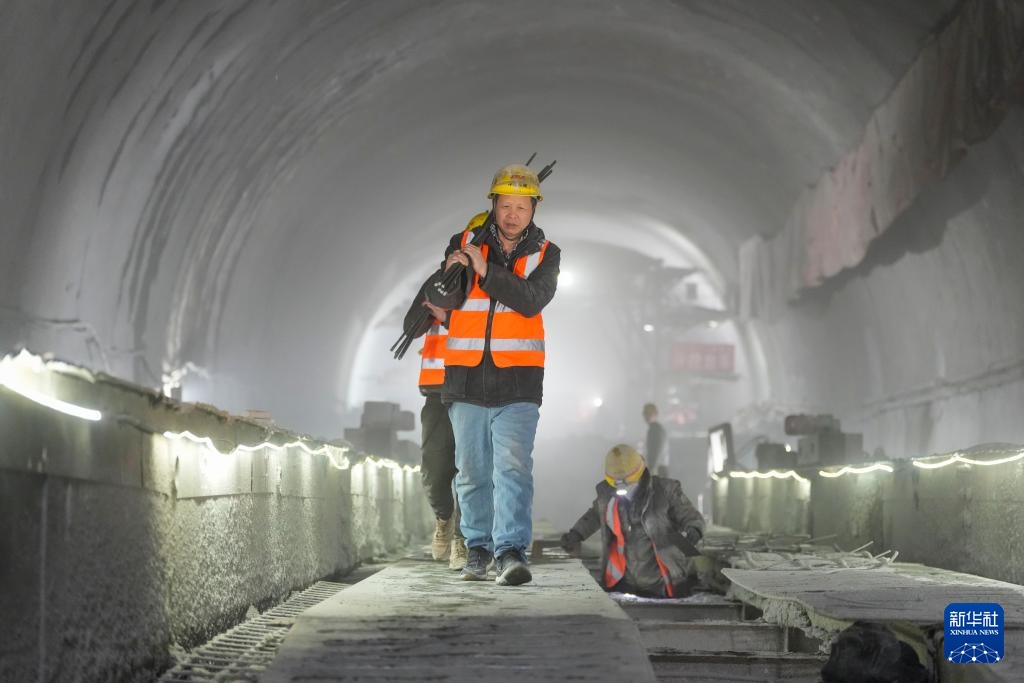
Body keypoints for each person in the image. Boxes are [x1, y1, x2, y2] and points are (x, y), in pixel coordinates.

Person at [426, 163, 560, 586]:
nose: (513, 214)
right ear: (494, 205)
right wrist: (452, 272)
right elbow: (446, 300)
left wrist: (486, 270)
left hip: (518, 382)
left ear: (533, 209)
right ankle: (478, 549)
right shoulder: (464, 241)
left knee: (514, 469)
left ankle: (512, 552)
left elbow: (531, 300)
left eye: (522, 206)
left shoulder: (547, 254)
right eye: (506, 205)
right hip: (465, 380)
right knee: (471, 472)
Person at [402, 212, 489, 571]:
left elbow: (490, 331)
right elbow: (410, 325)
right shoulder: (440, 281)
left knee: (470, 469)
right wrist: (435, 306)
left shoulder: (491, 286)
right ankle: (444, 518)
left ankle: (464, 541)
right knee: (435, 469)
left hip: (475, 388)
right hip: (437, 390)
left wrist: (451, 316)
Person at [560, 444, 705, 598]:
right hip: (624, 582)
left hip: (665, 582)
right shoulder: (607, 495)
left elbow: (690, 516)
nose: (622, 488)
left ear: (639, 473)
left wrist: (694, 530)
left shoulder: (666, 490)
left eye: (627, 483)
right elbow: (594, 515)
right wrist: (576, 533)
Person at [643, 402, 670, 477]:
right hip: (660, 468)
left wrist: (651, 468)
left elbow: (655, 450)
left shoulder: (655, 430)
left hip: (658, 469)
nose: (647, 416)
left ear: (655, 414)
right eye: (646, 413)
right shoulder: (657, 429)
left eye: (649, 413)